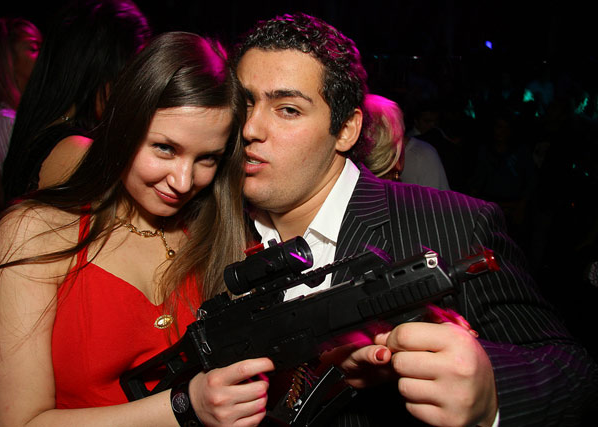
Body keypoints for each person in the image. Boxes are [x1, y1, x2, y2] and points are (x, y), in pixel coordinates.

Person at [235, 12, 598, 426]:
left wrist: (491, 394)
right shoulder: (208, 226)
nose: (250, 128)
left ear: (347, 129)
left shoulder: (455, 225)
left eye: (287, 109)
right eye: (244, 104)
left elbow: (575, 373)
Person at [0, 32, 273, 426]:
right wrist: (184, 406)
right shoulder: (33, 233)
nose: (183, 181)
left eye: (207, 158)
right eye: (165, 148)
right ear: (123, 126)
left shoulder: (215, 236)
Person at [2, 0, 151, 202]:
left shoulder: (42, 128)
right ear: (101, 71)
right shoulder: (76, 152)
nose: (133, 89)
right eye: (130, 74)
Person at [0, 17, 42, 208]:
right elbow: (26, 187)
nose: (42, 56)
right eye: (33, 48)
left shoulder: (21, 114)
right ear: (8, 60)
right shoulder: (6, 120)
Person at [364, 94, 450, 190]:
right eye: (427, 121)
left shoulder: (424, 155)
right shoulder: (359, 161)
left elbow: (438, 198)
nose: (432, 125)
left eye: (435, 122)